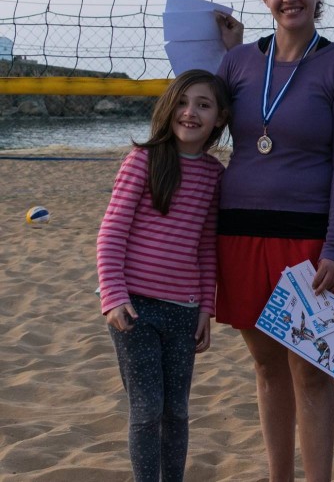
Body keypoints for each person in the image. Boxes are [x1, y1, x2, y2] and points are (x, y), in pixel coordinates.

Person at [213, 0, 334, 482]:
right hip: (240, 231)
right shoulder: (236, 62)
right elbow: (197, 124)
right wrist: (221, 53)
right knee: (266, 367)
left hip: (307, 238)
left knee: (311, 373)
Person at [96, 69, 230, 482]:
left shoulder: (213, 174)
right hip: (135, 308)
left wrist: (206, 307)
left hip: (184, 311)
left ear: (219, 118)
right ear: (169, 107)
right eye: (184, 102)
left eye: (203, 105)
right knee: (148, 408)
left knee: (177, 409)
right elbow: (111, 231)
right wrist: (113, 296)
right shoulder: (144, 158)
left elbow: (207, 246)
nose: (191, 112)